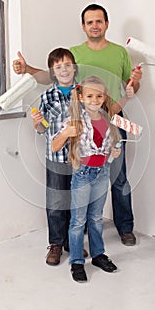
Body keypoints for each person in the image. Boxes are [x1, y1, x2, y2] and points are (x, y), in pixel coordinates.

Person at [12, 3, 142, 246]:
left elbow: (129, 88)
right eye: (90, 21)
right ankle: (79, 227)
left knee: (119, 175)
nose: (94, 25)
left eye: (99, 21)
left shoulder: (120, 53)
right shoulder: (74, 54)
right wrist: (27, 69)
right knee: (83, 174)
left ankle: (125, 227)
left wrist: (135, 82)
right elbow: (53, 75)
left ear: (106, 24)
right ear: (83, 26)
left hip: (113, 116)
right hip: (85, 119)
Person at [51, 76, 123, 283]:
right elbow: (55, 146)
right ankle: (76, 261)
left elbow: (107, 146)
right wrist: (65, 133)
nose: (95, 99)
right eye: (90, 95)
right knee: (78, 221)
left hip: (102, 172)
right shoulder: (75, 120)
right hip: (82, 174)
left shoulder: (107, 119)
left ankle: (98, 255)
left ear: (104, 97)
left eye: (99, 95)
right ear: (81, 97)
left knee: (96, 218)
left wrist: (113, 152)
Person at [32, 47, 88, 266]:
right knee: (56, 202)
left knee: (77, 201)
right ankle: (56, 243)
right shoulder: (47, 96)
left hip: (80, 157)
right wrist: (38, 124)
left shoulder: (84, 92)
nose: (64, 69)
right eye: (58, 67)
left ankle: (72, 242)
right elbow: (44, 127)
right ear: (53, 72)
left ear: (74, 68)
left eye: (67, 65)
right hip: (55, 157)